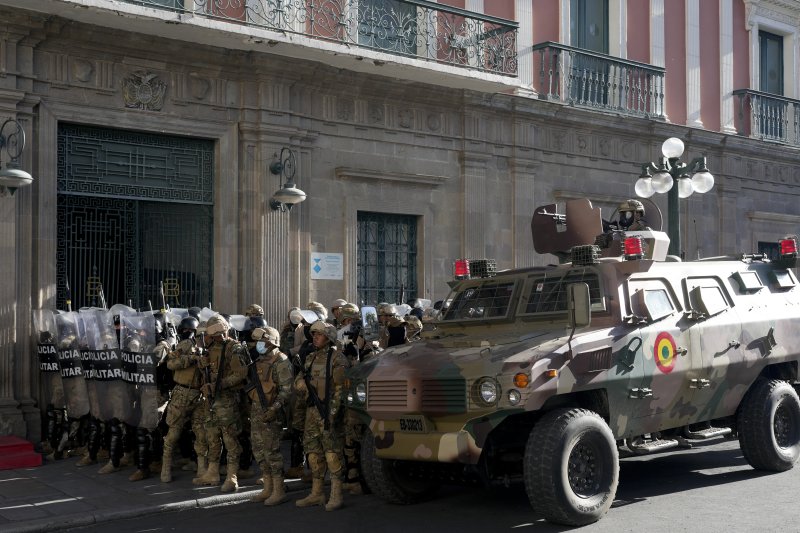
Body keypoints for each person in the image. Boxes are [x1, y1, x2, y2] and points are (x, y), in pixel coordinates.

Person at [294, 320, 349, 511]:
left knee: (332, 454)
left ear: (329, 338)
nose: (315, 337)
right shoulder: (310, 358)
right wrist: (300, 384)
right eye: (314, 334)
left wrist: (331, 415)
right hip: (312, 412)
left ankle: (336, 494)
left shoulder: (337, 359)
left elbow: (341, 391)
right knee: (313, 454)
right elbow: (299, 380)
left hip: (327, 413)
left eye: (319, 334)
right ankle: (317, 493)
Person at [194, 315, 248, 492]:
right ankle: (213, 471)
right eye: (216, 334)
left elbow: (240, 375)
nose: (220, 337)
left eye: (222, 332)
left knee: (230, 439)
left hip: (227, 400)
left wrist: (218, 384)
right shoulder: (210, 347)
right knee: (212, 437)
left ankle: (232, 476)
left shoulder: (235, 348)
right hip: (211, 400)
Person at [248, 327, 293, 506]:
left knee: (272, 452)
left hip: (271, 413)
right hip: (257, 411)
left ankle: (279, 490)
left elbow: (286, 391)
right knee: (259, 449)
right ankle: (267, 487)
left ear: (271, 342)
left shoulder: (281, 361)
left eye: (261, 342)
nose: (258, 345)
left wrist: (274, 409)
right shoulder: (259, 360)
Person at [160, 316, 205, 483]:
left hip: (200, 395)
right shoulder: (186, 345)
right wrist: (190, 359)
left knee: (201, 434)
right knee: (173, 433)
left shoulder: (210, 348)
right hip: (182, 393)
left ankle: (202, 470)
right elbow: (171, 363)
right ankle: (165, 469)